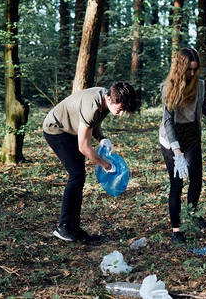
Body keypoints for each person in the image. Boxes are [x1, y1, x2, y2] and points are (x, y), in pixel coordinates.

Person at [43, 81, 138, 243]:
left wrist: (101, 138)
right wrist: (105, 165)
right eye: (120, 109)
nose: (121, 114)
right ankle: (63, 226)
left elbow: (94, 123)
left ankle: (75, 228)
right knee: (76, 174)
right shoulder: (92, 107)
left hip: (71, 129)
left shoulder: (106, 97)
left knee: (79, 176)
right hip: (56, 129)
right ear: (110, 100)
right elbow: (83, 147)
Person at [158, 47, 206, 243]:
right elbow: (168, 122)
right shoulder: (168, 87)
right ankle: (176, 230)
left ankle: (192, 214)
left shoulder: (199, 84)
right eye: (189, 70)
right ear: (180, 68)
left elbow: (203, 105)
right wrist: (176, 152)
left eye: (195, 69)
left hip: (191, 133)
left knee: (196, 178)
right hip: (171, 137)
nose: (192, 73)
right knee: (177, 184)